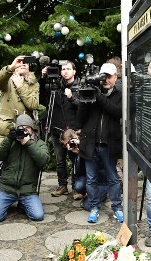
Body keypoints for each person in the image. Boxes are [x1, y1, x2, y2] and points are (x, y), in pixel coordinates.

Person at [78, 61, 124, 224]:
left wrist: (99, 98)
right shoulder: (91, 91)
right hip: (90, 144)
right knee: (91, 179)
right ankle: (94, 207)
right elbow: (80, 119)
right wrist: (85, 100)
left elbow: (117, 112)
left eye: (109, 77)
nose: (106, 80)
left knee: (113, 178)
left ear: (115, 77)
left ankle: (117, 207)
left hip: (109, 145)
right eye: (103, 76)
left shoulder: (119, 94)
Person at [0, 114, 50, 222]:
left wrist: (28, 143)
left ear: (32, 129)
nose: (24, 131)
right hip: (7, 188)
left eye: (27, 128)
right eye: (21, 128)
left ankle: (22, 204)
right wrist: (8, 139)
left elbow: (43, 160)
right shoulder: (11, 141)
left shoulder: (39, 143)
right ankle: (9, 204)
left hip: (27, 190)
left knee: (38, 216)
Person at [40, 60, 80, 197]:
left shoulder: (79, 87)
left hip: (72, 131)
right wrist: (43, 79)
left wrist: (71, 97)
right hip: (56, 129)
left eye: (68, 69)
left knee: (75, 160)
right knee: (60, 161)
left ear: (74, 71)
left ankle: (76, 187)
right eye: (63, 69)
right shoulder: (54, 86)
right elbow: (42, 99)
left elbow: (82, 108)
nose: (65, 71)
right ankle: (62, 186)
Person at [0, 54, 40, 145]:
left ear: (29, 66)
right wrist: (10, 68)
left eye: (26, 62)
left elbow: (33, 105)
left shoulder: (34, 83)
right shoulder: (7, 80)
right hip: (6, 132)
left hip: (26, 133)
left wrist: (20, 86)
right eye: (19, 62)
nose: (23, 64)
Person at [61, 128, 108, 208]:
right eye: (65, 145)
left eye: (68, 143)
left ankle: (100, 195)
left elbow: (98, 165)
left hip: (100, 179)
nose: (68, 146)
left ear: (75, 138)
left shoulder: (88, 142)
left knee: (88, 206)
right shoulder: (72, 149)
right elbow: (77, 172)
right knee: (78, 185)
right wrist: (77, 154)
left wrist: (82, 149)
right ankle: (90, 195)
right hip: (88, 178)